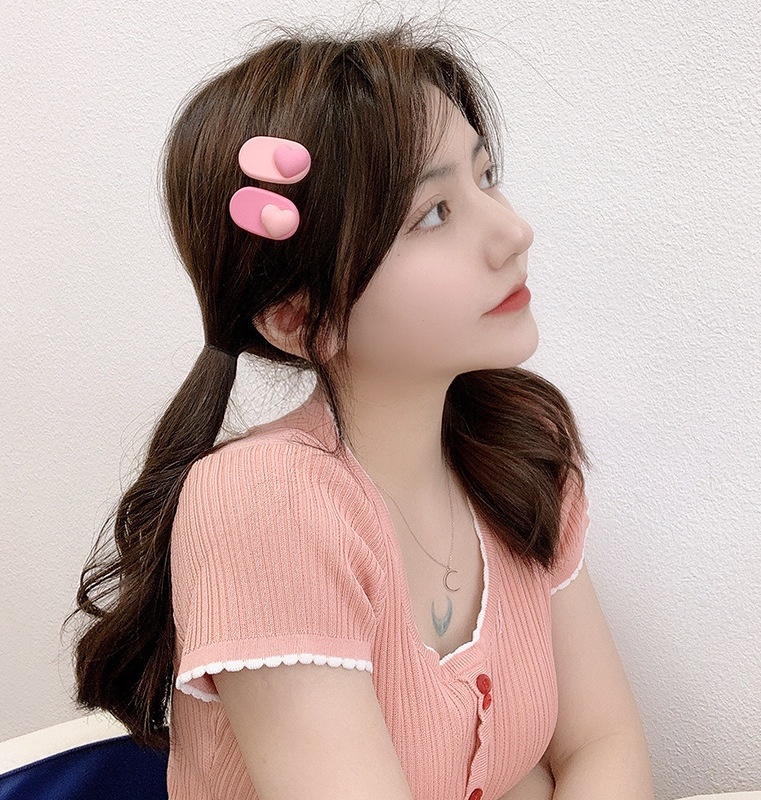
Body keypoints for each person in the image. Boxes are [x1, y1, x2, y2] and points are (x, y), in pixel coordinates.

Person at [73, 23, 654, 800]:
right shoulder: (264, 502)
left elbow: (604, 746)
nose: (514, 232)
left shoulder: (521, 449)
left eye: (486, 177)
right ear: (297, 315)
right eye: (434, 213)